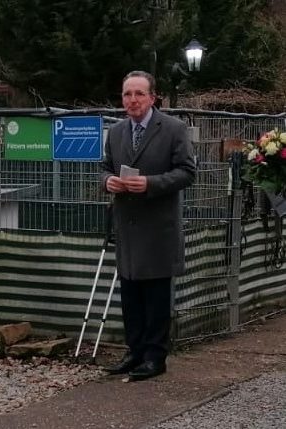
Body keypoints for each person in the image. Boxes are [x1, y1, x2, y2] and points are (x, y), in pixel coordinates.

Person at [100, 70, 196, 381]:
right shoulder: (115, 132)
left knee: (156, 298)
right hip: (127, 228)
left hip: (158, 229)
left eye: (139, 94)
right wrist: (108, 182)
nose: (132, 100)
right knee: (130, 296)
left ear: (153, 97)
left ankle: (156, 357)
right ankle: (135, 351)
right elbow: (103, 169)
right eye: (127, 94)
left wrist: (151, 184)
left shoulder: (173, 129)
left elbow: (187, 172)